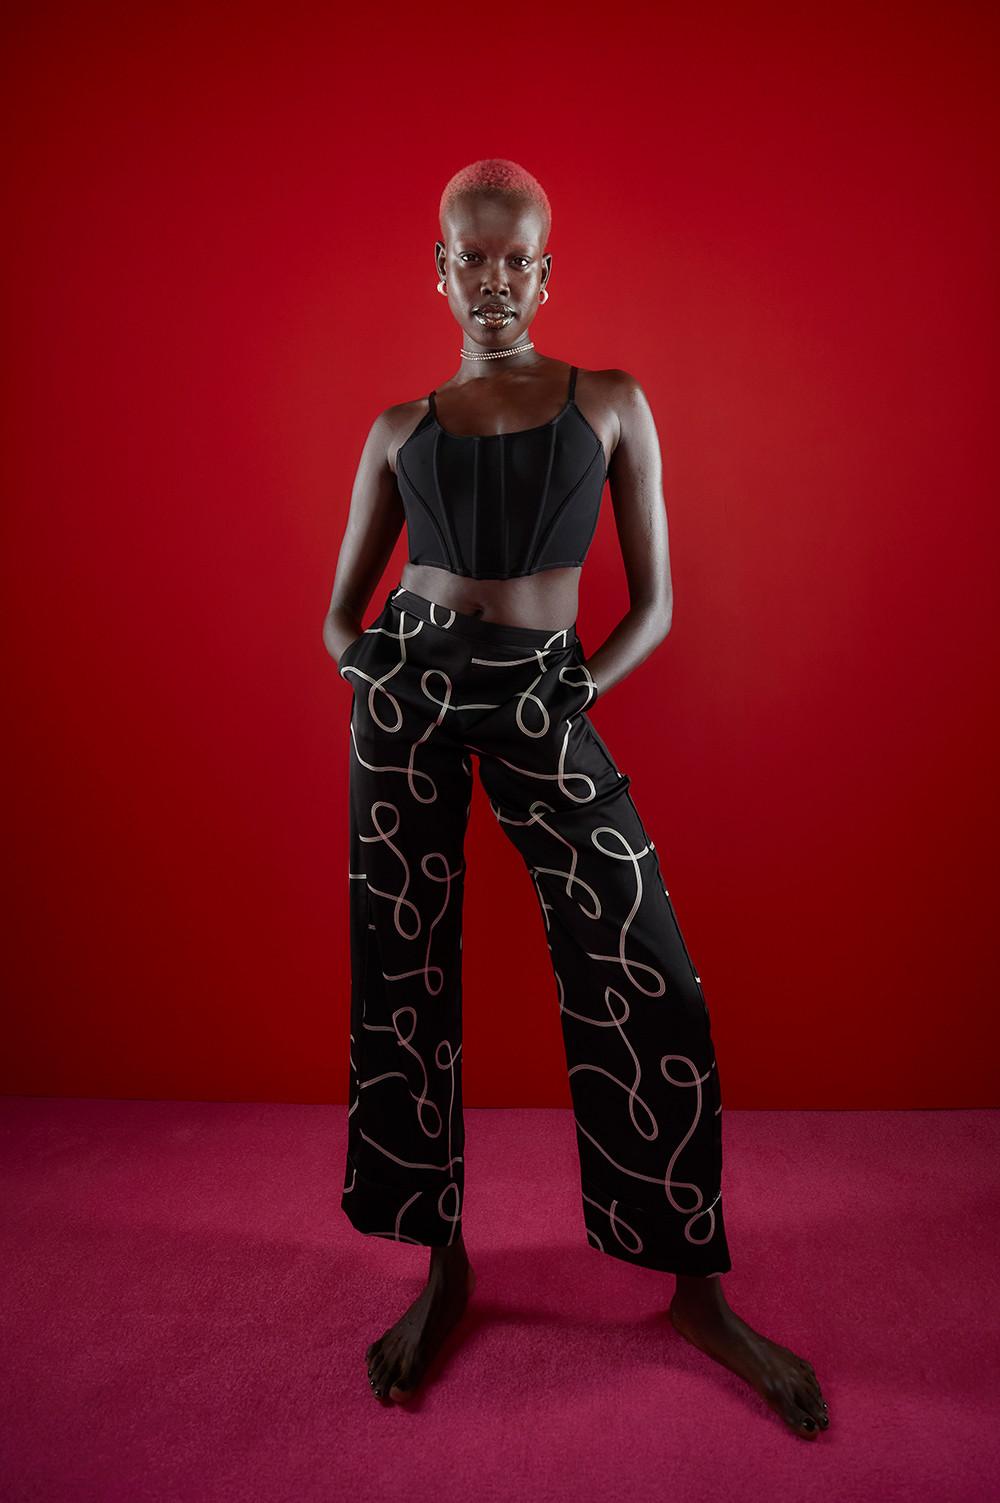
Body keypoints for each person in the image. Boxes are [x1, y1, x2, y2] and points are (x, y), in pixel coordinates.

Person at [322, 158, 828, 1439]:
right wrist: (383, 674)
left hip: (546, 697)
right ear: (437, 271)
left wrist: (575, 689)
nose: (492, 281)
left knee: (646, 964)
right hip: (409, 701)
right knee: (403, 975)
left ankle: (694, 1286)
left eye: (515, 260)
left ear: (547, 272)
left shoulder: (610, 404)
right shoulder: (397, 429)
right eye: (468, 258)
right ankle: (441, 1263)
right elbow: (337, 619)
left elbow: (655, 603)